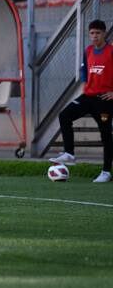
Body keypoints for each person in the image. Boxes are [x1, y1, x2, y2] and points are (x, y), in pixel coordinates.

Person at [51, 20, 112, 183]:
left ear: (104, 33)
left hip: (104, 101)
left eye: (97, 33)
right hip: (88, 97)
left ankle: (106, 172)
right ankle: (69, 153)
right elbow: (84, 71)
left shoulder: (111, 51)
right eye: (91, 33)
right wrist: (85, 85)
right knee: (64, 116)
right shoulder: (89, 50)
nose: (94, 36)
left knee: (106, 135)